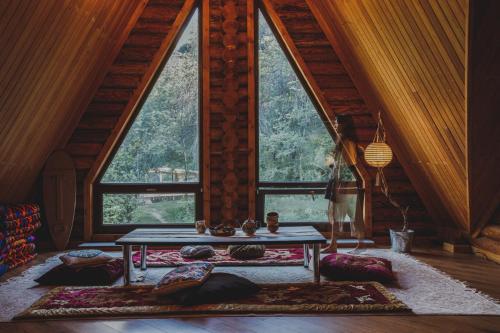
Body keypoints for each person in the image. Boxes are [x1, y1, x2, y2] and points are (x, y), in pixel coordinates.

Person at [322, 115, 365, 253]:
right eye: (335, 122)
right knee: (336, 212)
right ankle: (333, 245)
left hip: (345, 182)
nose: (335, 124)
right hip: (339, 180)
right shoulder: (342, 140)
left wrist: (341, 182)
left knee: (352, 213)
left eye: (337, 122)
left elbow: (349, 163)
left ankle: (359, 244)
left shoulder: (348, 142)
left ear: (344, 124)